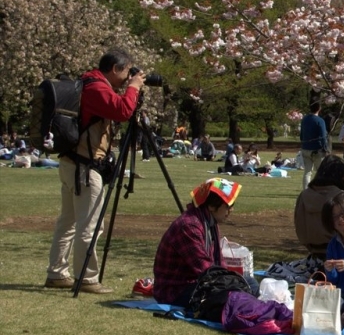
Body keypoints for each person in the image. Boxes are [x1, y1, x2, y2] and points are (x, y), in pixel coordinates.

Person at [45, 48, 145, 293]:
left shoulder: (87, 82)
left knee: (67, 222)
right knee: (89, 225)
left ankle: (57, 273)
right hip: (84, 167)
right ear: (115, 69)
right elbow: (123, 112)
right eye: (126, 72)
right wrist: (134, 88)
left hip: (72, 163)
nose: (126, 79)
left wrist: (130, 87)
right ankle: (87, 278)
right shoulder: (97, 88)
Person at [153, 178, 244, 306]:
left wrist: (233, 279)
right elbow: (204, 268)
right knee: (232, 294)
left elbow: (218, 262)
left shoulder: (208, 221)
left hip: (196, 283)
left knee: (248, 283)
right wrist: (231, 282)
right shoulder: (189, 226)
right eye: (228, 206)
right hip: (176, 291)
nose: (231, 210)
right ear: (212, 206)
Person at [294, 155, 344, 259]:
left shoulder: (304, 195)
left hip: (312, 247)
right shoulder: (340, 196)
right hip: (337, 250)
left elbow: (298, 224)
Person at [300, 102, 329, 189]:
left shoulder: (304, 119)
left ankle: (306, 190)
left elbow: (301, 135)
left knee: (307, 172)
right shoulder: (320, 121)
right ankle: (320, 189)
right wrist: (325, 148)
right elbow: (323, 136)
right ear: (319, 109)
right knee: (320, 172)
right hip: (317, 149)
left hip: (305, 148)